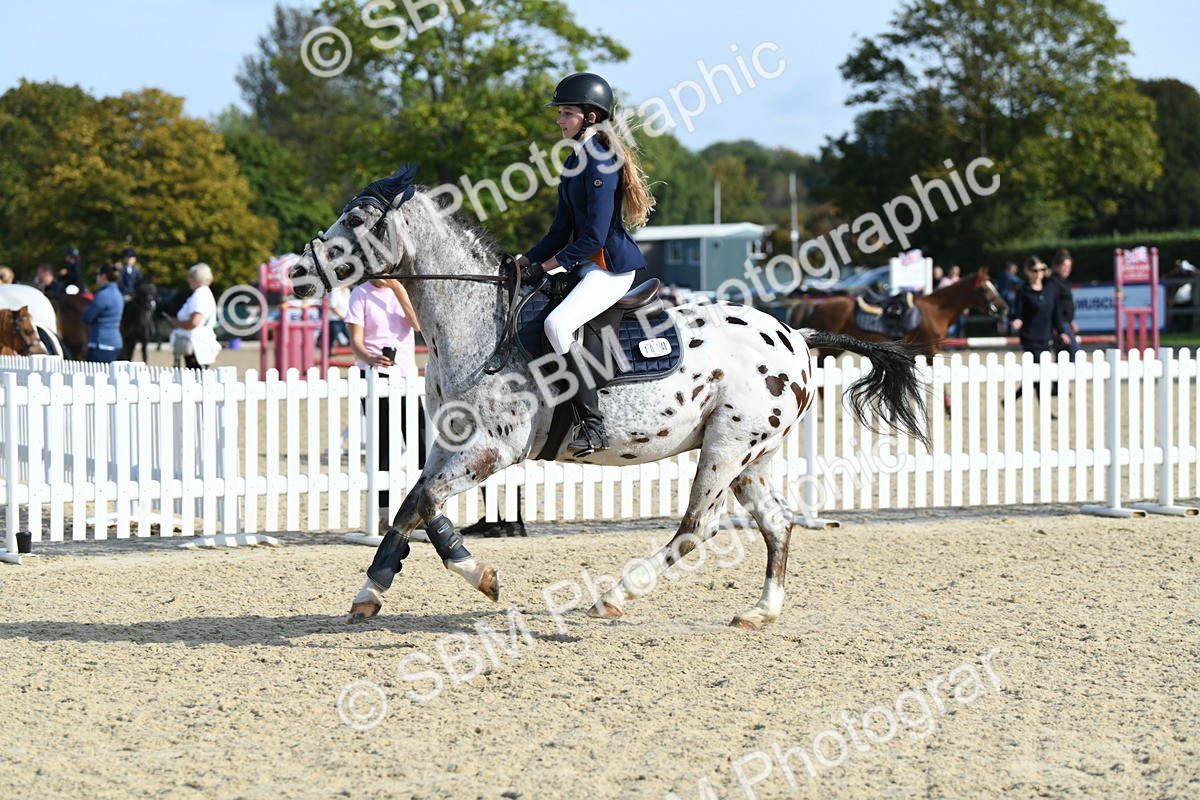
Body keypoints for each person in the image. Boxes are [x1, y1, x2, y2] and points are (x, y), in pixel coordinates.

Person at [514, 71, 656, 458]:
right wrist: (521, 262)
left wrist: (546, 268)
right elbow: (559, 231)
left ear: (590, 117)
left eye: (567, 113)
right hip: (586, 265)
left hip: (610, 267)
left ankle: (593, 424)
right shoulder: (575, 160)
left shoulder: (600, 160)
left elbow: (592, 237)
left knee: (556, 324)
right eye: (560, 113)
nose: (559, 120)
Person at [346, 278, 423, 533]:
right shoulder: (360, 294)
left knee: (421, 442)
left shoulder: (402, 292)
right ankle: (383, 515)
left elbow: (418, 324)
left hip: (406, 375)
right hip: (373, 375)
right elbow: (356, 342)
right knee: (383, 445)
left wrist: (398, 288)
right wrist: (371, 359)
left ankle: (423, 512)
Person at [1010, 257, 1070, 400]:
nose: (1039, 273)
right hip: (1030, 337)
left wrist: (1062, 332)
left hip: (1046, 336)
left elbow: (1056, 314)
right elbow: (1017, 313)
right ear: (1027, 271)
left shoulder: (1050, 289)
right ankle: (1045, 409)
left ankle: (1010, 399)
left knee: (1035, 374)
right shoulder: (1023, 291)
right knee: (1040, 374)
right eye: (1035, 270)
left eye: (1042, 269)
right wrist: (1017, 320)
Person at [169, 262, 222, 368]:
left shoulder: (199, 295)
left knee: (196, 375)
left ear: (195, 279)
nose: (188, 281)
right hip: (200, 342)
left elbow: (194, 322)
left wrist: (176, 323)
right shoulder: (205, 293)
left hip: (196, 344)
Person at [79, 263, 124, 363]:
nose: (97, 277)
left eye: (98, 274)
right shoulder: (118, 293)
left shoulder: (104, 295)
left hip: (101, 343)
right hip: (115, 342)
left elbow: (87, 317)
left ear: (103, 276)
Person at [1047, 248, 1081, 359]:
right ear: (1056, 266)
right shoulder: (1053, 283)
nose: (1067, 269)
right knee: (1074, 352)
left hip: (1066, 322)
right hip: (1060, 323)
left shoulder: (1064, 282)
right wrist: (1058, 327)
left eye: (1069, 267)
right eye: (1064, 266)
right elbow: (1055, 305)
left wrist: (1071, 321)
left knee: (1063, 354)